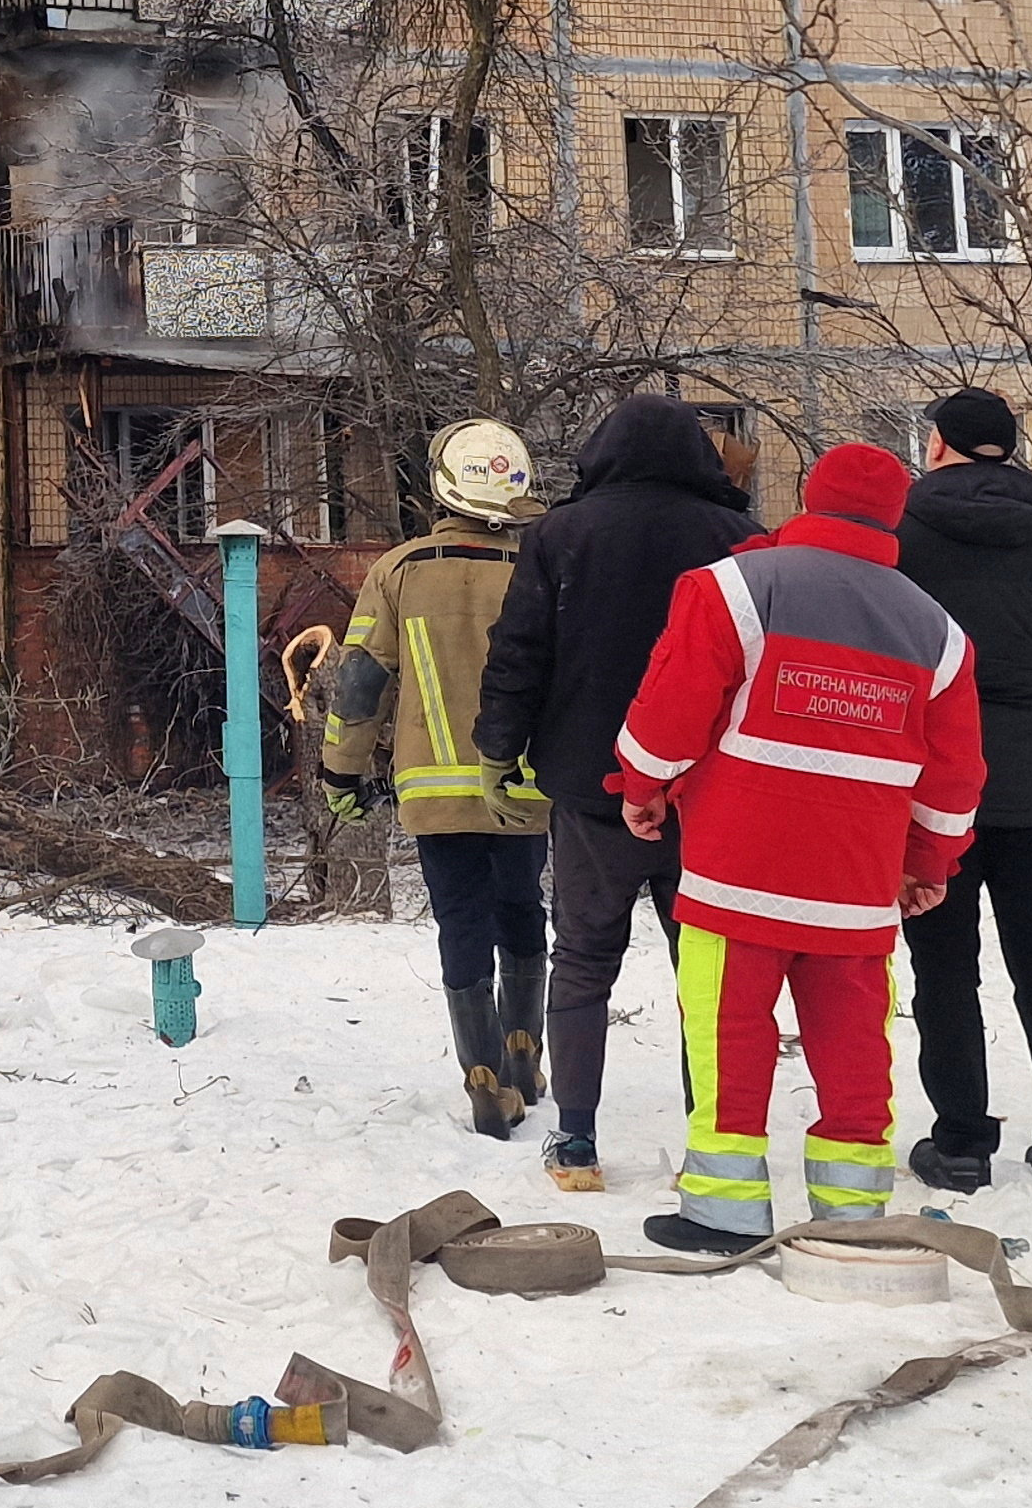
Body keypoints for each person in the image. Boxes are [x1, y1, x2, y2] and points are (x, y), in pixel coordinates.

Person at [611, 442, 983, 1253]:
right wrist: (927, 863)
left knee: (728, 1036)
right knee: (856, 1051)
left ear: (811, 496)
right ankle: (852, 1218)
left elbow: (671, 709)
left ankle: (723, 1211)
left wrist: (642, 785)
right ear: (895, 516)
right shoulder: (938, 632)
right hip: (855, 884)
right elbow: (954, 779)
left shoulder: (734, 587)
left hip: (736, 870)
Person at [473, 395, 759, 1189]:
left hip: (590, 784)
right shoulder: (738, 540)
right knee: (703, 966)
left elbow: (519, 650)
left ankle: (577, 1140)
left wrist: (499, 749)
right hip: (709, 790)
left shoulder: (561, 534)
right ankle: (711, 1132)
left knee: (585, 958)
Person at [892, 389, 1032, 1198]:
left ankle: (960, 1141)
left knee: (943, 965)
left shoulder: (902, 534)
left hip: (928, 788)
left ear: (939, 444)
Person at [317, 422, 551, 1136]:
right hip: (524, 785)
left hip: (432, 790)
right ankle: (524, 1049)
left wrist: (341, 772)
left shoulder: (400, 568)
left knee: (460, 918)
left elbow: (359, 683)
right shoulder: (544, 562)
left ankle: (480, 1074)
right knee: (521, 908)